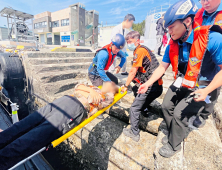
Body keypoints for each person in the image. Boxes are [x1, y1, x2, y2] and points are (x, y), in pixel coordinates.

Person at [138, 0, 222, 158]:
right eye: (167, 28)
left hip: (205, 85)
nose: (169, 32)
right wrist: (147, 83)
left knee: (179, 113)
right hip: (185, 80)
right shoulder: (173, 44)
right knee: (166, 106)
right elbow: (162, 67)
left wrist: (207, 91)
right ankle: (174, 133)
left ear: (187, 21)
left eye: (171, 27)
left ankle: (174, 144)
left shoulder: (213, 38)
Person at [0, 82, 118, 169]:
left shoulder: (108, 96)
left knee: (34, 137)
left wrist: (105, 91)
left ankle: (3, 160)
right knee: (24, 124)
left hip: (75, 109)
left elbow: (100, 102)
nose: (107, 82)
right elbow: (78, 86)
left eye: (111, 83)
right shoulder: (93, 86)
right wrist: (91, 90)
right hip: (63, 101)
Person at [121, 31, 163, 142]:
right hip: (158, 87)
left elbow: (132, 71)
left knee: (134, 108)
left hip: (150, 87)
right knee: (135, 88)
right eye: (127, 42)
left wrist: (125, 85)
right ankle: (144, 108)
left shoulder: (139, 51)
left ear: (137, 40)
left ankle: (134, 133)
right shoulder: (145, 49)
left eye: (130, 41)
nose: (128, 43)